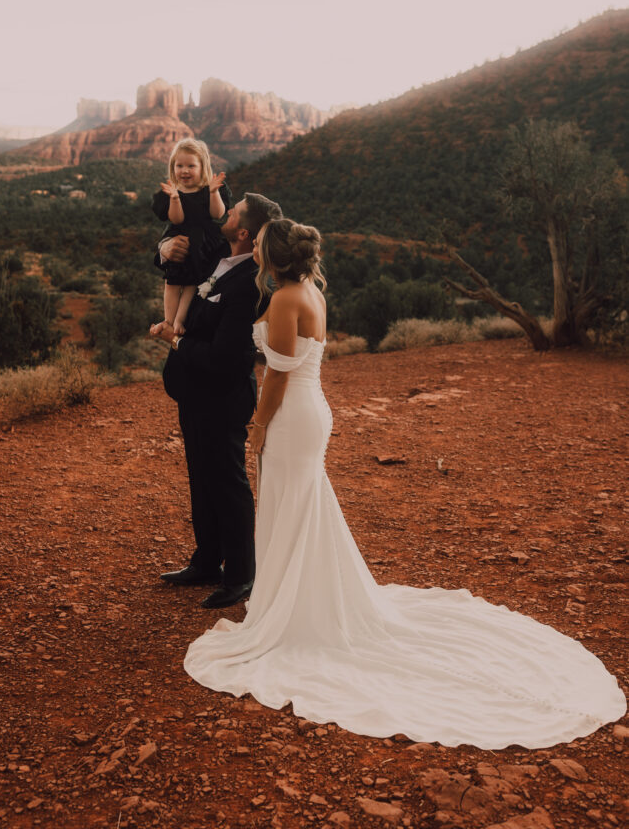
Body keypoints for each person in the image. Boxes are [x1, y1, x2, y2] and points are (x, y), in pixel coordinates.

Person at [183, 218, 626, 746]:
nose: (250, 248)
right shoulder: (308, 292)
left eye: (257, 245)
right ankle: (299, 596)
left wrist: (258, 427)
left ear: (274, 256)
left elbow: (277, 374)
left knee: (292, 503)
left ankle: (294, 611)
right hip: (310, 409)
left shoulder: (283, 300)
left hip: (290, 414)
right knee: (301, 504)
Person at [149, 192, 282, 610]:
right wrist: (162, 248)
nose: (224, 213)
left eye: (234, 211)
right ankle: (207, 561)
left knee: (228, 484)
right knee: (201, 479)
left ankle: (242, 574)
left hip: (222, 397)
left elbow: (228, 359)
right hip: (193, 391)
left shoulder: (249, 286)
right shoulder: (217, 259)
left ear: (244, 232)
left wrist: (177, 341)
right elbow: (174, 262)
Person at [151, 137, 231, 337]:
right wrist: (175, 198)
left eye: (191, 166)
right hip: (180, 238)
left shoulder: (208, 190)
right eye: (179, 165)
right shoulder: (172, 192)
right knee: (172, 282)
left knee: (192, 283)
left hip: (202, 241)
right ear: (172, 166)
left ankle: (180, 319)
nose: (184, 170)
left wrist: (213, 192)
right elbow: (176, 219)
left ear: (202, 167)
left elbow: (217, 214)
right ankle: (169, 320)